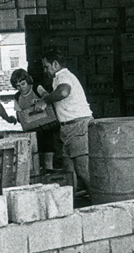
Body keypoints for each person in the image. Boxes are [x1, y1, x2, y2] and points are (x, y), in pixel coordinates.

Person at [36, 49, 93, 191]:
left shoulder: (64, 76)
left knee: (82, 169)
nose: (45, 71)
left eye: (46, 66)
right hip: (68, 128)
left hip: (78, 126)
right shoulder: (58, 78)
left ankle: (99, 201)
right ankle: (71, 204)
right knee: (69, 170)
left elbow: (63, 92)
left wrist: (45, 101)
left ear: (55, 64)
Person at [9, 68, 58, 172]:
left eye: (23, 84)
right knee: (35, 158)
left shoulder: (36, 88)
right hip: (32, 130)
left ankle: (49, 175)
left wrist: (39, 102)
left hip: (46, 128)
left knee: (48, 158)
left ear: (28, 81)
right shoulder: (17, 97)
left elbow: (46, 96)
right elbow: (19, 114)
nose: (21, 88)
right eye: (17, 86)